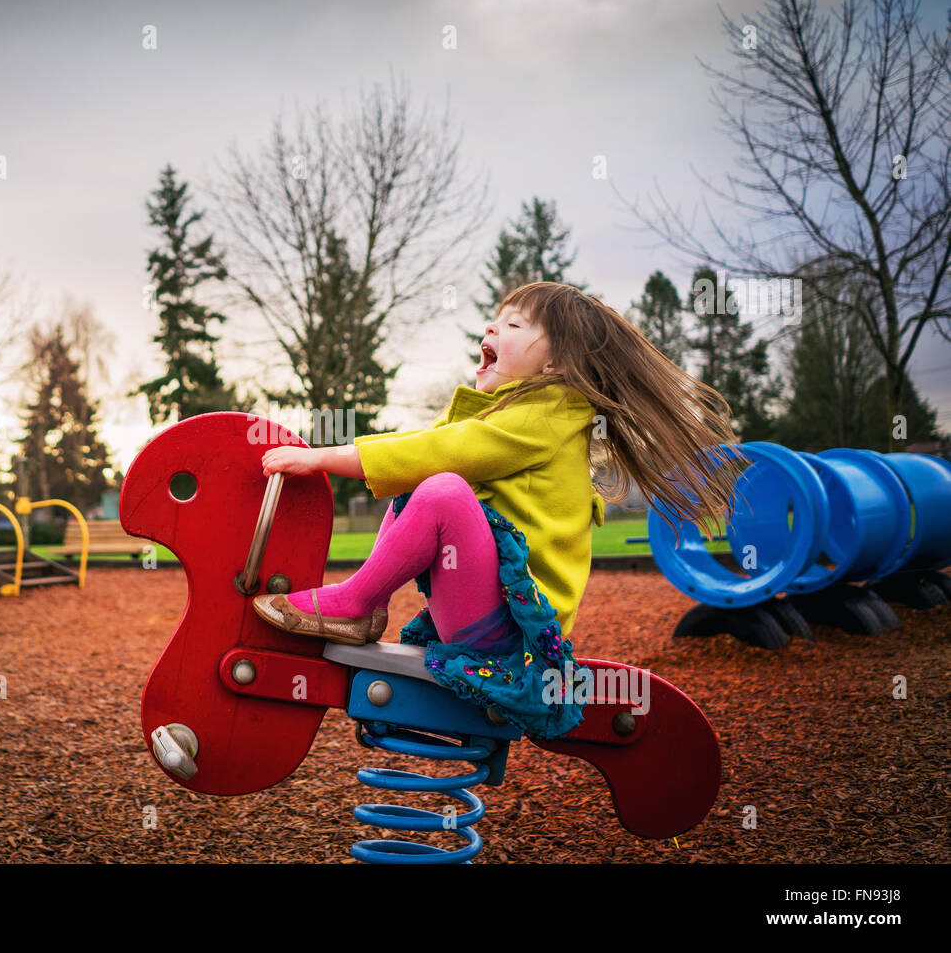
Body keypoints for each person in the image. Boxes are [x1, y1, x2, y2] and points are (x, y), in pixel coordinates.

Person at [251, 281, 743, 739]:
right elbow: (425, 444)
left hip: (509, 635)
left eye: (514, 326)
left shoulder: (549, 414)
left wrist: (320, 458)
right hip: (485, 614)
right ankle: (366, 604)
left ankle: (356, 600)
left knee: (440, 488)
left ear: (556, 366)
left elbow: (432, 454)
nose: (492, 328)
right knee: (419, 485)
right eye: (495, 320)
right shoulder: (513, 411)